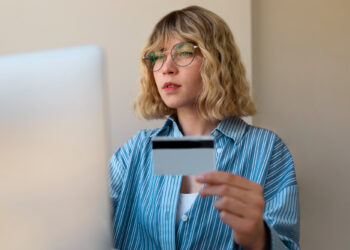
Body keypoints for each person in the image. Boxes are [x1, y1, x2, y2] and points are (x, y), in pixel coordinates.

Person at [109, 5, 299, 250]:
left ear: (216, 59)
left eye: (184, 52)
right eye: (157, 56)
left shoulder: (267, 150)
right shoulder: (135, 152)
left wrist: (259, 239)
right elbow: (82, 226)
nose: (166, 67)